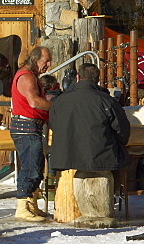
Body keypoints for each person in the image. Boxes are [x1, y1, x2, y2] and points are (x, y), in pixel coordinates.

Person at [48, 62, 130, 190]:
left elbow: (53, 125)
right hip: (101, 156)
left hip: (66, 155)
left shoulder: (60, 100)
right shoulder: (106, 100)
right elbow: (122, 130)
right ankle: (115, 192)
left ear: (78, 78)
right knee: (123, 159)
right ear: (97, 80)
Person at [9, 45, 53, 222]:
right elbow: (34, 102)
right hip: (25, 127)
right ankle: (22, 206)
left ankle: (31, 203)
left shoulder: (30, 76)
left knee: (36, 165)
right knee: (29, 167)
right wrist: (58, 107)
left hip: (30, 127)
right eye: (46, 61)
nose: (48, 65)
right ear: (35, 59)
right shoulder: (27, 77)